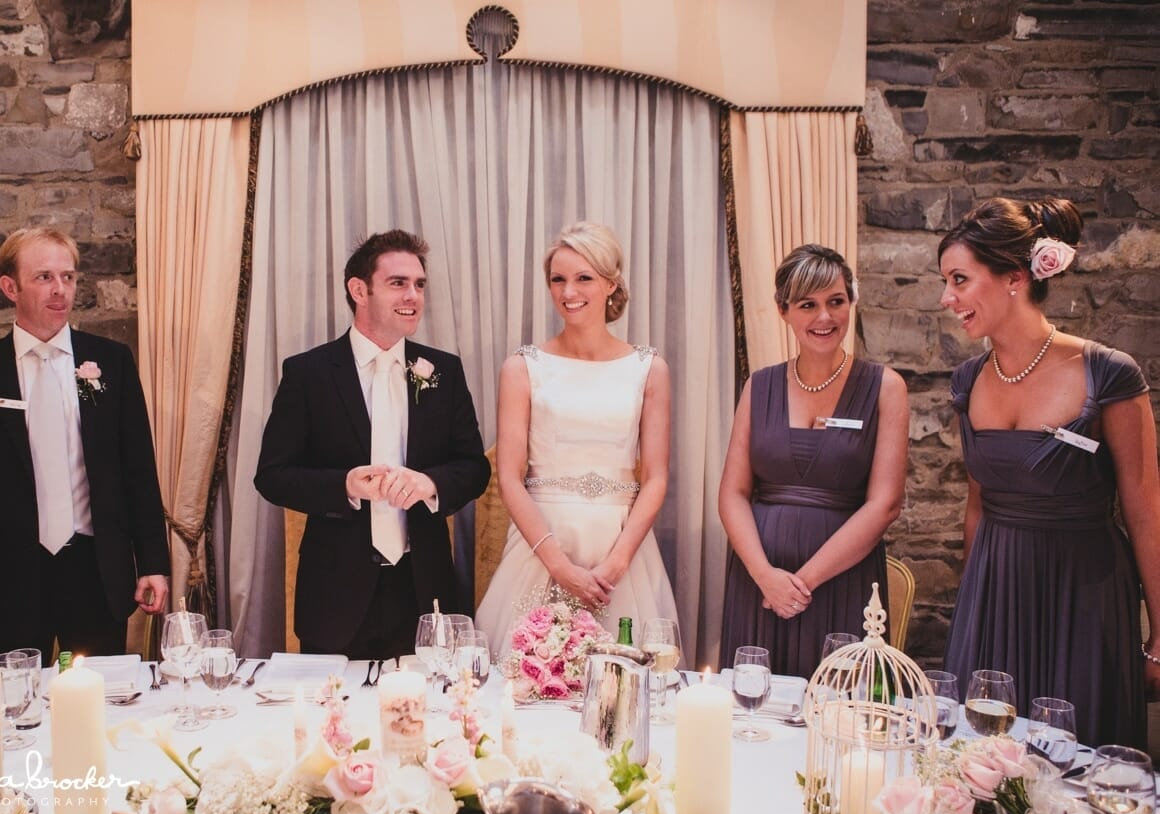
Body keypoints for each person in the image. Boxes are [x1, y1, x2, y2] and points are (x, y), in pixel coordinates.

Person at [939, 197, 1160, 748]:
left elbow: (1145, 508)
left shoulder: (1107, 374)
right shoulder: (968, 381)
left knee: (1075, 764)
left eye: (960, 280)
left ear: (1014, 277)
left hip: (1082, 597)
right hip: (994, 592)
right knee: (982, 763)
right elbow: (977, 505)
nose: (948, 298)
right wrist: (973, 606)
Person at [255, 229, 490, 660]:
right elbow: (272, 476)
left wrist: (429, 484)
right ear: (359, 290)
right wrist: (345, 485)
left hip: (424, 592)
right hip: (336, 595)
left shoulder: (443, 371)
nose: (413, 295)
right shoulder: (309, 373)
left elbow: (474, 467)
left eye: (419, 284)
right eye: (398, 283)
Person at [0, 227, 170, 658]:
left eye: (68, 277)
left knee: (106, 703)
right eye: (44, 277)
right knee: (19, 711)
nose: (60, 289)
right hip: (10, 576)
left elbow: (137, 471)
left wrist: (154, 563)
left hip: (96, 569)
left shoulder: (109, 363)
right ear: (10, 287)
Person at [476, 221, 679, 660]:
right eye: (558, 279)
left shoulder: (648, 368)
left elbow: (658, 477)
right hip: (542, 544)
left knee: (620, 686)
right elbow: (510, 477)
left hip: (620, 547)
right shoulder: (522, 367)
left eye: (584, 277)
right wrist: (557, 564)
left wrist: (618, 561)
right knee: (528, 680)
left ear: (611, 283)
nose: (569, 291)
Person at [718, 244, 908, 677]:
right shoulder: (759, 386)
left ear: (850, 302)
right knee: (753, 711)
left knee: (837, 713)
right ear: (784, 310)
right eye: (809, 305)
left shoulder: (885, 387)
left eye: (836, 302)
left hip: (841, 582)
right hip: (759, 583)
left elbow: (886, 504)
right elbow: (732, 493)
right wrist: (766, 576)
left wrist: (802, 583)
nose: (825, 318)